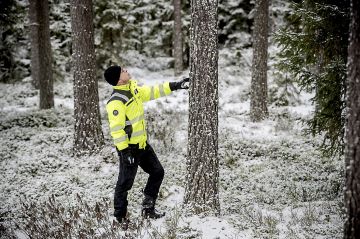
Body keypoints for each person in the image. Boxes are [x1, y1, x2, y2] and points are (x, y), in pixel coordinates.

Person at [104, 65, 189, 226]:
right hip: (129, 149)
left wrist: (176, 85)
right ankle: (120, 219)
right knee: (124, 183)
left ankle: (148, 209)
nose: (126, 70)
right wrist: (125, 151)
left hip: (142, 144)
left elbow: (152, 91)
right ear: (118, 79)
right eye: (123, 70)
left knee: (157, 172)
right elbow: (116, 129)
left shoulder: (133, 90)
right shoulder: (116, 101)